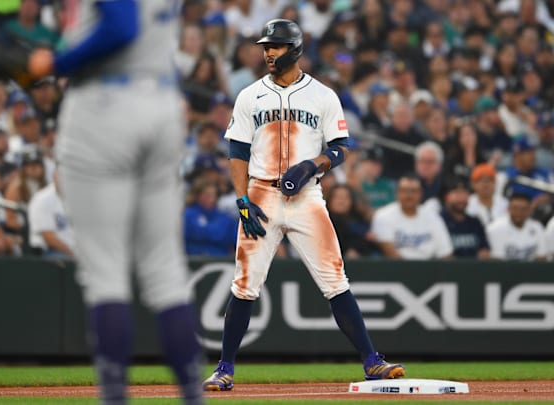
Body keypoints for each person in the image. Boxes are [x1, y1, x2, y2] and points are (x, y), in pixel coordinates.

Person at [199, 19, 404, 392]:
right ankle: (224, 367)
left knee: (335, 280)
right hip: (261, 193)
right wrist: (242, 199)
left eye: (275, 46)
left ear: (294, 48)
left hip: (307, 196)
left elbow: (340, 147)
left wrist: (314, 164)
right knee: (245, 284)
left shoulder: (323, 95)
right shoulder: (249, 95)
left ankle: (372, 361)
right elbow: (237, 151)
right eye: (266, 46)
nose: (268, 52)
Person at [26, 2, 203, 404]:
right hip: (161, 101)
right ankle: (193, 395)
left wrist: (56, 61)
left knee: (106, 275)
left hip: (105, 104)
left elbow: (122, 25)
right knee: (166, 273)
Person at [371, 174, 453, 259]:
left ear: (421, 193)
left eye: (414, 191)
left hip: (430, 268)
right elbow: (390, 253)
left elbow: (446, 253)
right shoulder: (383, 216)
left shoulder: (433, 217)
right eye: (404, 191)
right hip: (395, 269)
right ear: (397, 193)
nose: (409, 195)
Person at [486, 193, 548, 261]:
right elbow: (496, 261)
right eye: (515, 208)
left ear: (530, 210)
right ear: (508, 209)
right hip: (504, 270)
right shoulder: (495, 228)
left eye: (524, 209)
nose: (519, 212)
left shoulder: (537, 227)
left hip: (532, 270)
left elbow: (542, 257)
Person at [27, 171, 74, 258]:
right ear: (54, 176)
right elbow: (49, 237)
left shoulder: (77, 195)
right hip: (51, 251)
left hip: (75, 249)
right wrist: (74, 254)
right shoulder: (42, 199)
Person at [439, 181, 490, 259]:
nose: (461, 198)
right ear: (447, 197)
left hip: (475, 268)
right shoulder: (440, 222)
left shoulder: (475, 222)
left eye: (464, 193)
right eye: (457, 193)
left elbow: (484, 251)